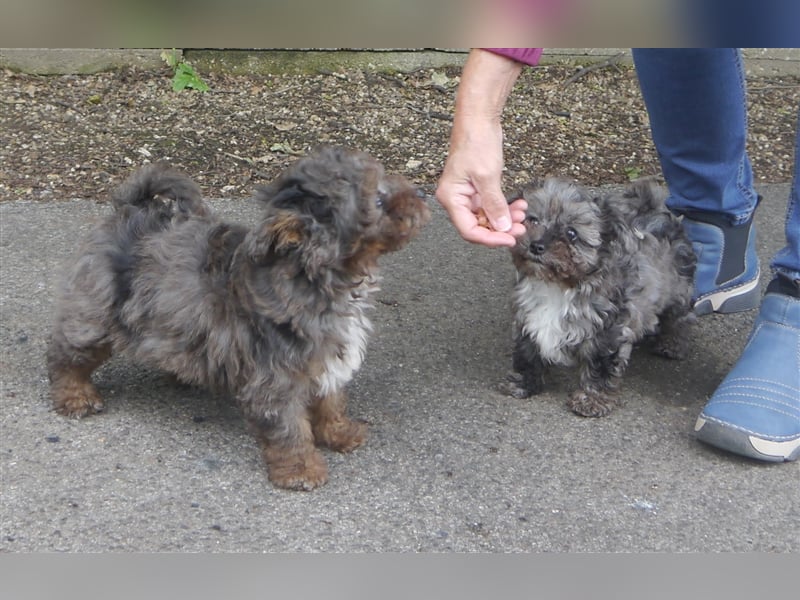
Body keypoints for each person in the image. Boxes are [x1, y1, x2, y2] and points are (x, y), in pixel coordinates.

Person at [436, 48, 800, 462]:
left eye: (569, 235)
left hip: (636, 281)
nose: (538, 240)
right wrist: (476, 122)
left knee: (651, 319)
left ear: (607, 244)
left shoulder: (613, 289)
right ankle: (713, 218)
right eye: (533, 223)